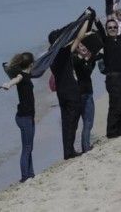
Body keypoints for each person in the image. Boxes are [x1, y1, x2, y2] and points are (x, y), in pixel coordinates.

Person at [49, 12, 91, 159]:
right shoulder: (63, 52)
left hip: (61, 92)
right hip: (71, 90)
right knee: (72, 121)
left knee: (66, 122)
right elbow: (80, 36)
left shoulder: (50, 56)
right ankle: (70, 150)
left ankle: (67, 151)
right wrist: (85, 20)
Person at [2, 52, 36, 183]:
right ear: (31, 64)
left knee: (29, 146)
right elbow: (16, 80)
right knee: (27, 147)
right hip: (24, 117)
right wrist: (8, 84)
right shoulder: (22, 75)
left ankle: (31, 173)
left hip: (28, 116)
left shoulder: (28, 75)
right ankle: (25, 176)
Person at [95, 18, 121, 138]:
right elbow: (100, 31)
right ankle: (112, 132)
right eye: (110, 28)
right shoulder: (106, 41)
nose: (113, 29)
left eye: (115, 27)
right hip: (113, 78)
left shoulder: (120, 40)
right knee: (116, 105)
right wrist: (97, 21)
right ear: (106, 30)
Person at [72, 43, 97, 153]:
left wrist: (90, 60)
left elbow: (88, 71)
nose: (83, 48)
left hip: (85, 93)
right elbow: (84, 72)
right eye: (80, 47)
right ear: (76, 50)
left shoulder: (87, 60)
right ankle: (86, 147)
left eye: (84, 46)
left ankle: (85, 146)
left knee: (87, 122)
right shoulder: (76, 60)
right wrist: (86, 59)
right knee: (88, 121)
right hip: (83, 94)